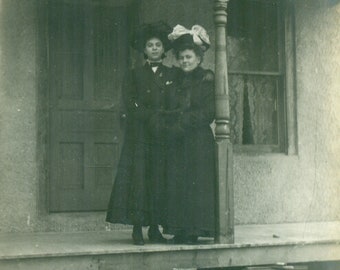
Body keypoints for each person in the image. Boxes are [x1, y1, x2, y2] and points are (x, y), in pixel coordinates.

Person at [105, 21, 176, 245]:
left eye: (158, 45)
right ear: (144, 50)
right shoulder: (134, 74)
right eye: (150, 45)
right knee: (139, 179)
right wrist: (149, 117)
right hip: (141, 136)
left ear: (164, 49)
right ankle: (137, 228)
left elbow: (174, 102)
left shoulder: (171, 75)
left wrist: (163, 119)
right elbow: (130, 103)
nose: (154, 48)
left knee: (158, 179)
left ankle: (155, 228)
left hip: (162, 136)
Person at [163, 24, 216, 244]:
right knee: (177, 183)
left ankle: (195, 230)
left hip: (198, 141)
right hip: (176, 140)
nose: (185, 61)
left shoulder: (206, 79)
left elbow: (208, 113)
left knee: (196, 184)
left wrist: (183, 122)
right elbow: (166, 106)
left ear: (198, 58)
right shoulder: (174, 79)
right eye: (181, 58)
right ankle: (179, 229)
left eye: (189, 57)